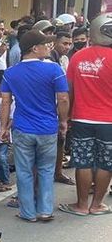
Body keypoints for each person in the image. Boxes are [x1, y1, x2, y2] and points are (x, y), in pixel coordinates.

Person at [0, 30, 70, 222]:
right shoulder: (54, 70)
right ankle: (46, 210)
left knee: (24, 171)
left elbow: (5, 102)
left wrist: (3, 127)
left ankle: (28, 212)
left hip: (22, 128)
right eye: (44, 44)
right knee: (46, 170)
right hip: (47, 128)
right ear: (34, 48)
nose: (48, 47)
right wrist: (63, 121)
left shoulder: (10, 73)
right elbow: (62, 98)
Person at [59, 14, 112, 217]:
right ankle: (97, 205)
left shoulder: (77, 57)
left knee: (83, 162)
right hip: (108, 121)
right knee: (105, 163)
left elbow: (68, 91)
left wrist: (66, 117)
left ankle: (81, 204)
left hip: (81, 119)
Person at [49, 31, 75, 186]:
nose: (67, 46)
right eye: (64, 43)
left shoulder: (63, 59)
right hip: (52, 107)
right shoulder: (49, 60)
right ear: (55, 43)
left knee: (61, 141)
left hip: (61, 106)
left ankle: (58, 172)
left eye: (69, 43)